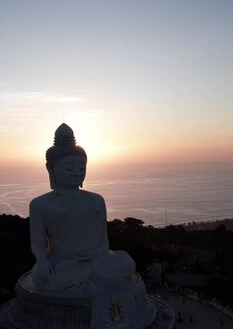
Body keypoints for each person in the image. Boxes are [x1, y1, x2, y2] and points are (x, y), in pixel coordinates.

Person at [29, 123, 156, 328]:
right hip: (65, 264)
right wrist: (42, 260)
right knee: (43, 277)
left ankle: (91, 276)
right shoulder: (40, 205)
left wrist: (100, 256)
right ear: (50, 169)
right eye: (69, 168)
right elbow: (38, 243)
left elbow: (103, 240)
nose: (76, 172)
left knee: (126, 263)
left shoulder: (96, 200)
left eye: (81, 167)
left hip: (98, 260)